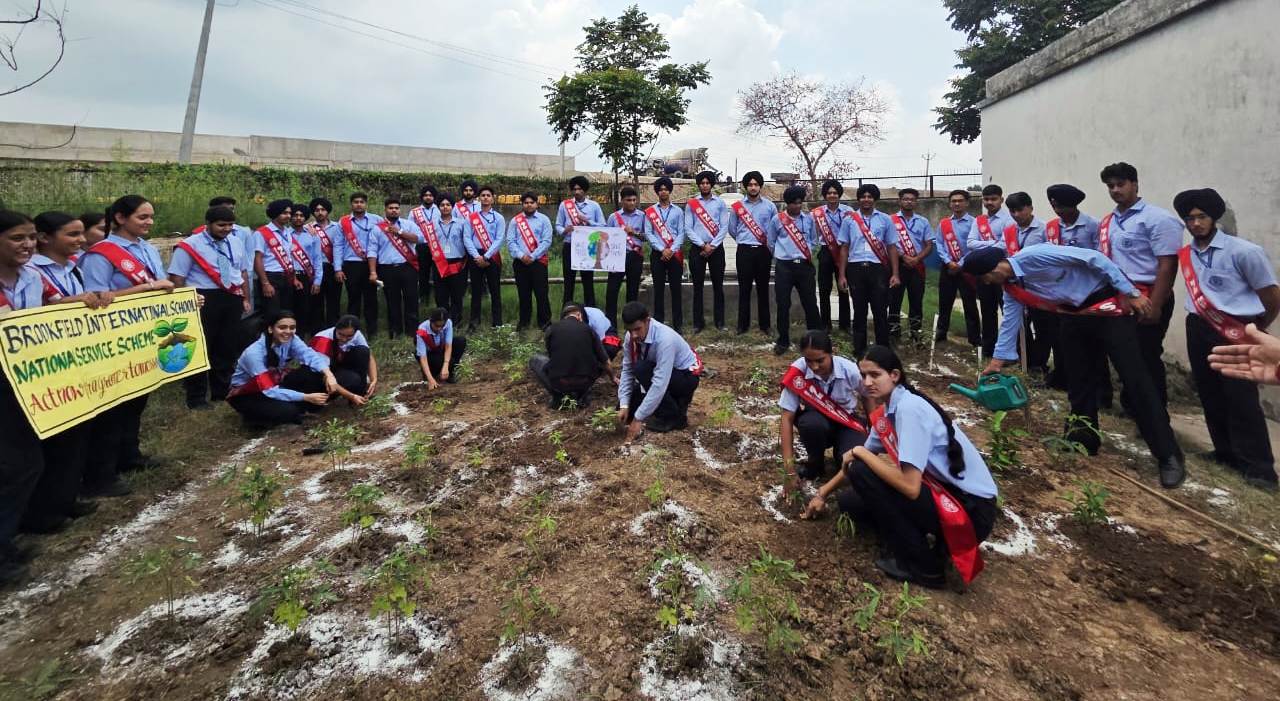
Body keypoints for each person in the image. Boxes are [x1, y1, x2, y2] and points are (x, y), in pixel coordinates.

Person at [967, 245, 1186, 487]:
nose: (987, 283)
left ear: (995, 268)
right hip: (1073, 316)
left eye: (985, 277)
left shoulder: (1034, 256)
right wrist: (997, 362)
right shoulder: (1012, 288)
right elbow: (1010, 321)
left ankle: (1168, 455)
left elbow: (1095, 258)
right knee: (1079, 382)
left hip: (1106, 308)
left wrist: (1130, 292)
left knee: (1135, 381)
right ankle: (1083, 439)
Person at [801, 345, 998, 589]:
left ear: (894, 375)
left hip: (971, 512)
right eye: (863, 376)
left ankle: (924, 567)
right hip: (948, 494)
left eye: (875, 375)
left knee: (862, 470)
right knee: (850, 502)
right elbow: (855, 460)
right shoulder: (889, 410)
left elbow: (910, 487)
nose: (867, 382)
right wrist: (822, 493)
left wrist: (860, 452)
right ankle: (920, 540)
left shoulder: (909, 409)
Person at [1174, 188, 1279, 490]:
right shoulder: (1188, 253)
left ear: (1214, 218)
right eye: (1190, 219)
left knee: (1241, 397)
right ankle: (1225, 452)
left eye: (1201, 217)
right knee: (1209, 391)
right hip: (1198, 325)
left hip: (1237, 328)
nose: (1195, 224)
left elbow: (1271, 296)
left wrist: (1257, 327)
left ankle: (1260, 467)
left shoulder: (1244, 251)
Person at [19, 212, 113, 539]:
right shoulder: (33, 272)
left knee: (76, 435)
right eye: (72, 235)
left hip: (73, 361)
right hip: (38, 367)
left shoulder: (74, 267)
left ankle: (65, 498)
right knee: (45, 444)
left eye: (81, 234)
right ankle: (40, 512)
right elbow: (35, 316)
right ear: (47, 238)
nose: (81, 240)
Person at [79, 195, 174, 498]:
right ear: (120, 218)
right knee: (112, 409)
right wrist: (147, 287)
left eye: (151, 217)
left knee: (136, 401)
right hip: (113, 341)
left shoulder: (147, 248)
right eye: (142, 217)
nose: (149, 223)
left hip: (144, 335)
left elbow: (161, 287)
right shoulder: (101, 254)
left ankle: (129, 455)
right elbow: (95, 299)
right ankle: (101, 474)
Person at [1099, 162, 1183, 407]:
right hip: (1120, 297)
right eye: (1110, 186)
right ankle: (1133, 406)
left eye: (1120, 184)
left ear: (1135, 184)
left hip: (1149, 296)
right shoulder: (1109, 222)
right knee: (1125, 357)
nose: (1115, 190)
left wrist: (1156, 305)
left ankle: (1156, 412)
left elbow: (1168, 265)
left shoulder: (1158, 219)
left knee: (1146, 356)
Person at [169, 205, 251, 410]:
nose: (226, 229)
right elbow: (177, 277)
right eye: (221, 225)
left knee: (226, 346)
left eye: (230, 225)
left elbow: (242, 272)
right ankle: (196, 397)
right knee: (200, 347)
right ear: (208, 224)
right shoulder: (190, 245)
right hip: (203, 298)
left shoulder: (236, 241)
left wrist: (245, 297)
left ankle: (221, 391)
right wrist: (183, 303)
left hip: (231, 297)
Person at [0, 210, 45, 583]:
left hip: (24, 382)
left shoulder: (32, 277)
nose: (28, 244)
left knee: (26, 463)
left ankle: (8, 541)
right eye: (17, 238)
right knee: (14, 466)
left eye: (31, 237)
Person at [779, 330, 867, 486]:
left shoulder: (849, 370)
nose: (814, 366)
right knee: (811, 424)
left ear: (832, 352)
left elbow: (868, 396)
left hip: (846, 422)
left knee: (853, 467)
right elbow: (787, 418)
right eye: (808, 360)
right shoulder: (797, 373)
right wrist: (789, 470)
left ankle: (840, 456)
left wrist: (873, 431)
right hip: (817, 423)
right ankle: (815, 464)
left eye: (820, 360)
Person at [227, 310, 340, 427]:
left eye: (292, 328)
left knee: (317, 376)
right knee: (289, 412)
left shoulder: (292, 338)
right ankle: (253, 418)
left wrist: (329, 374)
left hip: (276, 381)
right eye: (282, 327)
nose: (288, 331)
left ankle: (302, 406)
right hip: (250, 393)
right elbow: (269, 390)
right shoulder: (254, 354)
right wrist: (305, 397)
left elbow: (309, 355)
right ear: (270, 329)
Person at [1046, 184, 1105, 396]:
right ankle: (1067, 380)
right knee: (1065, 340)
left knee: (1095, 343)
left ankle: (1102, 391)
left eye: (1062, 207)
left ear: (1074, 206)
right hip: (1063, 291)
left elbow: (1101, 256)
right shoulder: (1051, 228)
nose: (1058, 211)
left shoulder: (1092, 225)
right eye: (1054, 206)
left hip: (1090, 291)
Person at [617, 301, 702, 440]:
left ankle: (674, 416)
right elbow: (627, 369)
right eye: (629, 330)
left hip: (686, 376)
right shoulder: (631, 336)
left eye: (637, 329)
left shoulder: (664, 339)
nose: (633, 335)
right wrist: (624, 404)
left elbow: (660, 382)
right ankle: (670, 404)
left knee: (642, 369)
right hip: (661, 371)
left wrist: (638, 418)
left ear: (647, 321)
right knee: (629, 406)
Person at [838, 184, 897, 357]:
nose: (866, 199)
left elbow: (891, 247)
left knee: (880, 310)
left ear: (875, 199)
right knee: (859, 310)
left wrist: (895, 273)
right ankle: (859, 349)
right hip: (855, 268)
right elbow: (844, 247)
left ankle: (883, 350)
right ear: (858, 199)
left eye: (870, 196)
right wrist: (842, 275)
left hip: (878, 269)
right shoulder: (849, 220)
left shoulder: (885, 219)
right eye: (863, 196)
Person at [1000, 192, 1053, 378]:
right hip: (1017, 287)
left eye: (1019, 210)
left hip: (1039, 288)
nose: (1016, 214)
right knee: (1019, 325)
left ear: (1030, 208)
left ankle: (1040, 363)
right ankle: (1027, 360)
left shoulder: (1044, 229)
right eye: (1012, 211)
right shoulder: (1009, 231)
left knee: (1042, 327)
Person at [768, 185, 821, 355]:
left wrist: (807, 253)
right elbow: (771, 242)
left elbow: (814, 240)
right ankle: (783, 340)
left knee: (810, 302)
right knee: (783, 304)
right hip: (785, 266)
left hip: (804, 266)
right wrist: (782, 254)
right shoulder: (777, 220)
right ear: (787, 203)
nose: (797, 206)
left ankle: (815, 339)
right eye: (793, 203)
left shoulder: (809, 219)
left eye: (799, 203)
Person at [530, 303, 612, 409]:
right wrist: (613, 377)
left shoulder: (551, 329)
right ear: (579, 315)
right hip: (585, 381)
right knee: (596, 361)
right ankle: (582, 395)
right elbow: (606, 361)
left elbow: (551, 356)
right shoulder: (589, 329)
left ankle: (558, 395)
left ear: (564, 317)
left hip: (560, 382)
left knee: (535, 360)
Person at [967, 184, 1016, 359]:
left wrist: (984, 247)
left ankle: (1012, 351)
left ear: (1001, 199)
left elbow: (1004, 245)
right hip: (984, 273)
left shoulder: (1009, 220)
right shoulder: (979, 220)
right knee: (987, 311)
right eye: (986, 199)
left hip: (1002, 272)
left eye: (993, 199)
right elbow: (970, 243)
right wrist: (992, 244)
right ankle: (988, 349)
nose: (989, 202)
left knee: (1008, 313)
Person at [933, 190, 982, 347]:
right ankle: (941, 335)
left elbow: (975, 246)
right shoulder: (944, 223)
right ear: (950, 204)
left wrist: (960, 263)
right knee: (945, 302)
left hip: (967, 268)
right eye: (953, 201)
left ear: (967, 203)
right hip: (948, 267)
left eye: (960, 201)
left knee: (970, 304)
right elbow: (939, 244)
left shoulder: (975, 223)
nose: (957, 203)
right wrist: (948, 262)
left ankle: (975, 339)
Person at [729, 171, 776, 336]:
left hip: (763, 251)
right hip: (744, 251)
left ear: (760, 186)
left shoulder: (770, 206)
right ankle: (742, 325)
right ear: (745, 187)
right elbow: (732, 229)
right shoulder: (737, 207)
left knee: (763, 289)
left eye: (756, 184)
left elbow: (774, 228)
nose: (753, 187)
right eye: (750, 185)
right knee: (744, 289)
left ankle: (765, 325)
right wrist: (744, 239)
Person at [368, 196, 421, 339]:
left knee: (411, 299)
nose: (394, 210)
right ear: (385, 210)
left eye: (396, 208)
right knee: (392, 301)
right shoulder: (377, 228)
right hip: (387, 269)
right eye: (390, 208)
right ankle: (395, 332)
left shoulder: (408, 224)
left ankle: (412, 332)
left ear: (400, 210)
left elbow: (419, 239)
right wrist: (373, 271)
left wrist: (399, 232)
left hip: (408, 267)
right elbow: (372, 251)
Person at [889, 188, 935, 343]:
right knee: (894, 300)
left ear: (916, 202)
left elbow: (929, 245)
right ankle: (894, 333)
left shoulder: (923, 221)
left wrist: (916, 259)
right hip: (897, 266)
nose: (908, 201)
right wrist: (904, 256)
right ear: (899, 201)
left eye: (912, 199)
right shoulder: (890, 220)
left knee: (916, 301)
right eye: (905, 199)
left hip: (917, 266)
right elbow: (888, 243)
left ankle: (916, 334)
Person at [685, 170, 728, 333]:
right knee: (698, 287)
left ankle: (720, 322)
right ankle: (698, 323)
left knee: (718, 286)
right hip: (698, 249)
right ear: (699, 185)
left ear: (711, 184)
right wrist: (703, 245)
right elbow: (688, 228)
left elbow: (724, 227)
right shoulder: (692, 204)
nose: (704, 185)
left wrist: (712, 245)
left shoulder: (720, 203)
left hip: (716, 249)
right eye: (702, 183)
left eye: (707, 183)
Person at [336, 192, 383, 335]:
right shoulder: (344, 221)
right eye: (356, 202)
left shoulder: (377, 219)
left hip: (371, 265)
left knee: (371, 299)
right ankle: (352, 332)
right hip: (351, 264)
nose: (359, 204)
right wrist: (338, 268)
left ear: (366, 204)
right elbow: (338, 245)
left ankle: (372, 332)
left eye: (362, 202)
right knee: (353, 299)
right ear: (351, 204)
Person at [252, 199, 307, 319]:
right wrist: (265, 283)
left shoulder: (287, 232)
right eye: (284, 213)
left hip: (287, 277)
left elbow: (289, 256)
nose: (288, 216)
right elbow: (257, 258)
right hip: (271, 276)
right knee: (272, 313)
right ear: (275, 213)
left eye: (289, 213)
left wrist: (294, 278)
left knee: (286, 313)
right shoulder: (261, 233)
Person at [643, 177, 685, 333]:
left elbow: (681, 232)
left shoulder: (678, 211)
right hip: (658, 254)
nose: (663, 192)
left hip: (674, 254)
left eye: (666, 189)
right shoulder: (650, 212)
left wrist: (671, 249)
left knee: (676, 289)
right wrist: (662, 249)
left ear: (670, 191)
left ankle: (678, 324)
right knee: (658, 289)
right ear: (657, 192)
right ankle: (658, 323)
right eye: (660, 189)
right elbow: (649, 233)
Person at [556, 175, 604, 309]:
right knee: (568, 280)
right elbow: (558, 225)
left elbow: (603, 225)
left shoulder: (594, 206)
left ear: (585, 190)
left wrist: (588, 221)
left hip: (588, 246)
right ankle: (567, 311)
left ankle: (591, 311)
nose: (577, 192)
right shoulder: (565, 205)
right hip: (569, 245)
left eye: (580, 189)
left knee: (588, 280)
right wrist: (564, 230)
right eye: (574, 189)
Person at [507, 192, 553, 330]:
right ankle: (524, 323)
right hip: (520, 262)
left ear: (536, 204)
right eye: (526, 203)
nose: (529, 205)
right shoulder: (515, 221)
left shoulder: (544, 220)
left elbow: (546, 241)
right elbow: (510, 241)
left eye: (531, 202)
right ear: (522, 205)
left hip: (538, 262)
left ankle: (545, 323)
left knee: (541, 293)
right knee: (524, 294)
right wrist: (522, 256)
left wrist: (533, 256)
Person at [812, 180, 852, 334]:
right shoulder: (817, 213)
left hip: (844, 251)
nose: (832, 195)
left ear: (839, 194)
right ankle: (825, 324)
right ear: (825, 195)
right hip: (825, 252)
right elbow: (812, 234)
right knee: (824, 289)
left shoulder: (848, 212)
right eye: (829, 193)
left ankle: (845, 324)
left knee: (844, 288)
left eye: (835, 193)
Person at [310, 314, 379, 405]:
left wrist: (374, 380)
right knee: (352, 379)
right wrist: (351, 396)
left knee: (362, 351)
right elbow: (324, 376)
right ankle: (343, 395)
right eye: (340, 334)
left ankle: (362, 394)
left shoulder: (356, 334)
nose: (344, 339)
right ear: (336, 328)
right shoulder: (323, 340)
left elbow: (368, 355)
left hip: (339, 363)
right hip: (321, 375)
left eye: (349, 336)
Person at [419, 192, 465, 325]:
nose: (445, 207)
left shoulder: (462, 223)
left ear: (452, 207)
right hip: (439, 263)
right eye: (442, 205)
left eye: (448, 205)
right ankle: (442, 321)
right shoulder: (431, 225)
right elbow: (423, 241)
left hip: (457, 263)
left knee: (457, 295)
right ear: (438, 207)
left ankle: (456, 322)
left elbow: (467, 242)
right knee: (440, 295)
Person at [463, 185, 505, 331]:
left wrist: (486, 257)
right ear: (478, 198)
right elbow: (467, 238)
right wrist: (477, 256)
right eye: (483, 195)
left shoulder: (499, 218)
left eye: (488, 195)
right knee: (476, 291)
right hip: (475, 256)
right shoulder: (471, 217)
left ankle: (497, 323)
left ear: (493, 198)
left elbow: (499, 239)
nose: (485, 198)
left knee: (495, 290)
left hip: (492, 255)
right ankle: (474, 323)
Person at [606, 186, 647, 329]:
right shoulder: (613, 217)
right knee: (612, 291)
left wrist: (633, 233)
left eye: (634, 200)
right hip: (616, 257)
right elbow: (606, 237)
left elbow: (647, 237)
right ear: (622, 200)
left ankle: (632, 324)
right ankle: (611, 326)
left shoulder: (642, 216)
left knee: (632, 291)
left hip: (635, 255)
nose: (632, 203)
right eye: (629, 200)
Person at [307, 197, 344, 329]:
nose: (320, 212)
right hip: (315, 269)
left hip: (333, 267)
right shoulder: (308, 228)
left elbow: (339, 247)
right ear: (313, 212)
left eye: (323, 210)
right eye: (317, 210)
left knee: (334, 300)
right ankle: (317, 330)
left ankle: (333, 329)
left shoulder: (337, 227)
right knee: (316, 301)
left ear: (327, 211)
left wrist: (338, 268)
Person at [288, 203, 323, 334]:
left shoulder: (312, 235)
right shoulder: (284, 234)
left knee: (304, 309)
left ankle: (301, 336)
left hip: (305, 275)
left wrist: (317, 281)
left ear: (305, 218)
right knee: (288, 308)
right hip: (288, 275)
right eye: (295, 215)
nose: (298, 218)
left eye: (301, 215)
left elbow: (317, 259)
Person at [415, 307, 467, 390]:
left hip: (440, 349)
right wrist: (430, 379)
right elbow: (423, 357)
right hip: (429, 354)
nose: (439, 329)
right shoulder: (422, 329)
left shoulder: (448, 323)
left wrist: (446, 365)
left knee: (460, 341)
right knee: (442, 361)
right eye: (437, 326)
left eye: (442, 326)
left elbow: (448, 346)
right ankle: (430, 373)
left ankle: (449, 372)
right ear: (431, 321)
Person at [412, 185, 440, 302]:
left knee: (438, 272)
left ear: (434, 197)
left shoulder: (440, 209)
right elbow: (410, 229)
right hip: (422, 246)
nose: (428, 197)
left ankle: (439, 298)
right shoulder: (414, 212)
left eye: (430, 195)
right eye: (425, 195)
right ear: (422, 197)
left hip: (437, 246)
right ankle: (424, 298)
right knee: (423, 273)